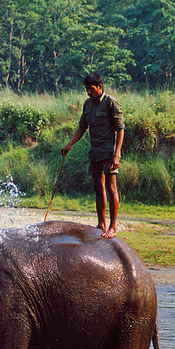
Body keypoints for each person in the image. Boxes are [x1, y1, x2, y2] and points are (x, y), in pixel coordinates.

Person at [61, 72, 124, 239]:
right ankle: (101, 223)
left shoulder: (111, 103)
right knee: (98, 187)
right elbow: (82, 128)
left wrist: (117, 155)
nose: (89, 92)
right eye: (86, 89)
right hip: (94, 152)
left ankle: (113, 227)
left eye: (91, 88)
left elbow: (120, 130)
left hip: (109, 153)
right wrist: (69, 144)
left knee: (111, 188)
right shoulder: (87, 104)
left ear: (100, 87)